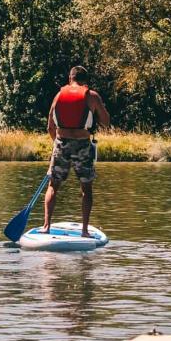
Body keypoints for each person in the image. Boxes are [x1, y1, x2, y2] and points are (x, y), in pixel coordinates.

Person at [42, 65, 110, 236]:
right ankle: (85, 231)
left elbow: (50, 126)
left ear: (70, 78)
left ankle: (46, 226)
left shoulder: (59, 95)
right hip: (82, 144)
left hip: (61, 142)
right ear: (85, 80)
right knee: (86, 188)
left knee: (53, 186)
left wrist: (57, 144)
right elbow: (106, 122)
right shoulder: (91, 96)